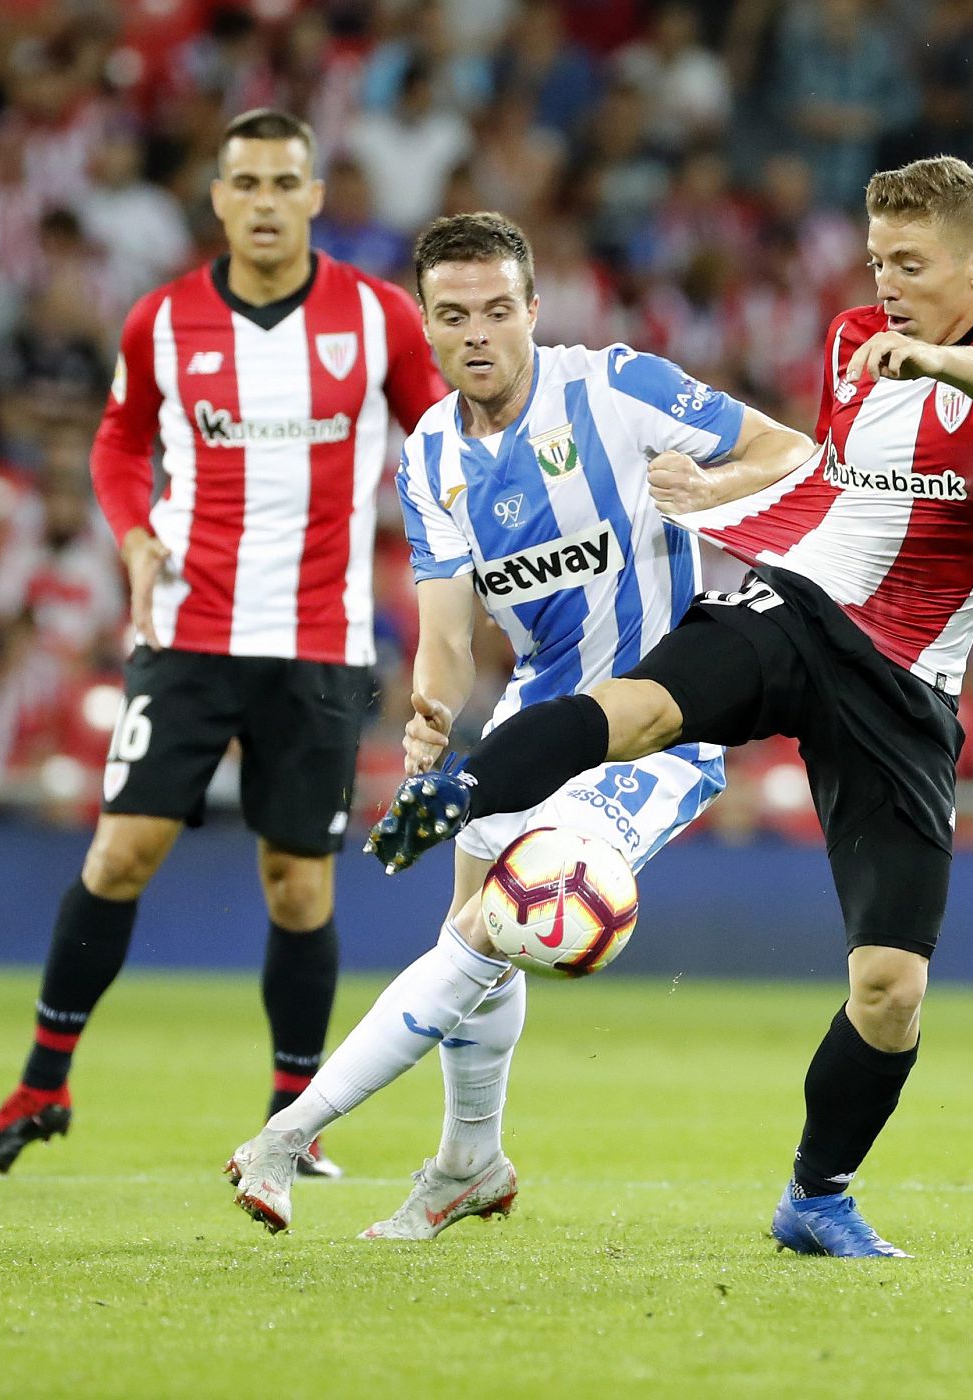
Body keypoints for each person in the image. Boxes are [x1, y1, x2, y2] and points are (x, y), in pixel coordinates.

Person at [367, 157, 973, 1258]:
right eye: (878, 259)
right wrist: (721, 492)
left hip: (907, 682)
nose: (885, 285)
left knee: (889, 989)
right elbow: (835, 476)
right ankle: (464, 788)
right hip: (798, 610)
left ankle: (817, 1195)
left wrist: (937, 357)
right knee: (641, 701)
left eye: (912, 265)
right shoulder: (850, 340)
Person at [224, 210, 813, 1238]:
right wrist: (430, 716)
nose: (479, 333)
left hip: (664, 714)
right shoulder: (432, 456)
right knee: (478, 935)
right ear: (426, 326)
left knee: (499, 918)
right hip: (537, 715)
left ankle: (288, 1129)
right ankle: (468, 1159)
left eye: (500, 310)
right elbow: (448, 636)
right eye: (454, 316)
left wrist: (709, 486)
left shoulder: (616, 385)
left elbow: (792, 450)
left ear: (534, 310)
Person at [0, 109, 447, 1177]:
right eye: (246, 183)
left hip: (319, 638)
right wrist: (132, 537)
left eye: (285, 182)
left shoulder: (378, 320)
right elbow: (122, 437)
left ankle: (292, 1116)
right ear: (217, 199)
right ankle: (43, 1083)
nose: (265, 202)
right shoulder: (163, 322)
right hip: (186, 629)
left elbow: (438, 434)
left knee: (297, 887)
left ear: (316, 196)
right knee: (121, 851)